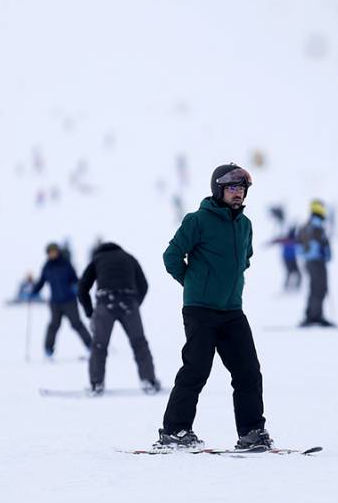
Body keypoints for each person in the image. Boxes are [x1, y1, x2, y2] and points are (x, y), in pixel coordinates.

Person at [157, 163, 270, 451]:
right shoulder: (197, 221)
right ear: (218, 190)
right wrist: (193, 284)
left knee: (248, 372)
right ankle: (175, 431)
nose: (238, 194)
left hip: (232, 311)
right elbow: (171, 256)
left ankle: (252, 432)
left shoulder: (245, 225)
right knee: (196, 370)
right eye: (232, 188)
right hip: (200, 310)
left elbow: (245, 259)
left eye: (242, 189)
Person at [77, 242, 159, 396]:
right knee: (139, 343)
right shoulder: (129, 257)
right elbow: (144, 284)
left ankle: (96, 384)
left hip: (105, 302)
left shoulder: (97, 259)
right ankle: (149, 381)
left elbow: (82, 287)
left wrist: (90, 312)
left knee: (99, 346)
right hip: (128, 302)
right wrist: (135, 304)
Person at [32, 243, 91, 358]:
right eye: (50, 252)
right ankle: (48, 350)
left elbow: (75, 278)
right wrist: (34, 291)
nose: (52, 254)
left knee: (76, 324)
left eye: (54, 251)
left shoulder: (66, 264)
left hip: (69, 301)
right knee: (53, 326)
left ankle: (91, 346)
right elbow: (41, 282)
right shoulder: (47, 267)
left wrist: (75, 286)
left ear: (58, 252)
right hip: (55, 303)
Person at [298, 199, 333, 326]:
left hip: (312, 261)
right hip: (316, 261)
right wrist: (321, 253)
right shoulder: (315, 225)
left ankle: (312, 314)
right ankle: (315, 316)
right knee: (319, 287)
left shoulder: (309, 224)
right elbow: (315, 243)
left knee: (315, 287)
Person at [272, 227, 301, 292]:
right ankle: (287, 287)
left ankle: (295, 287)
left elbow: (277, 240)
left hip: (292, 259)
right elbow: (277, 240)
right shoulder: (288, 239)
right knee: (291, 272)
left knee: (296, 273)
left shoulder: (294, 240)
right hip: (287, 259)